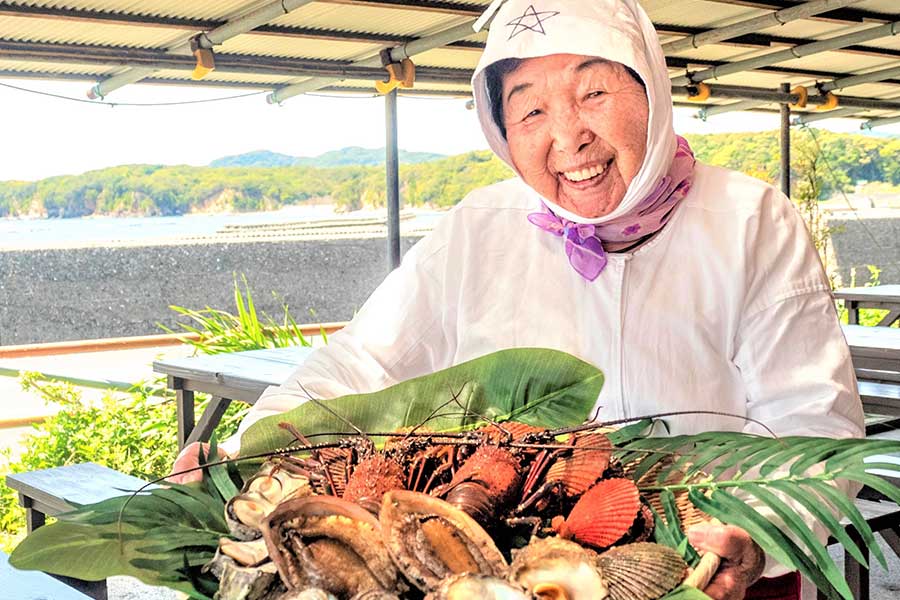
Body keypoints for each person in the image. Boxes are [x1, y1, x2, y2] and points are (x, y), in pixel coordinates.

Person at [172, 1, 864, 598]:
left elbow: (814, 430)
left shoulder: (750, 218)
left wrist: (755, 541)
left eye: (594, 94)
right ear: (500, 128)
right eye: (531, 109)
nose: (569, 138)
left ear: (650, 87)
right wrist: (243, 456)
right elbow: (363, 364)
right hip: (505, 578)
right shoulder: (479, 226)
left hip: (704, 579)